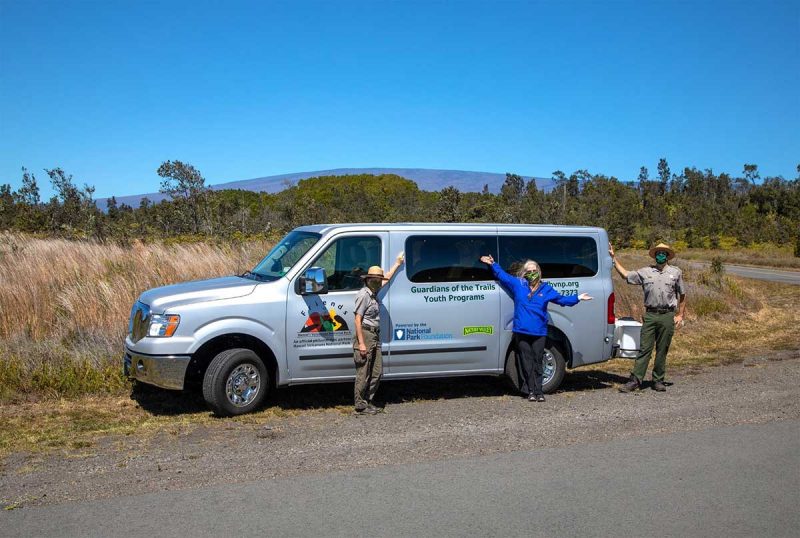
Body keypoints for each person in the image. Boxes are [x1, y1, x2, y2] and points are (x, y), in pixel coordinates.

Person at [480, 255, 593, 401]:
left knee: (538, 361)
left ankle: (539, 391)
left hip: (539, 332)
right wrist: (493, 264)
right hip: (521, 331)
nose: (532, 272)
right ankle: (531, 391)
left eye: (534, 270)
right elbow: (502, 276)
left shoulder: (546, 289)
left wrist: (578, 298)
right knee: (526, 362)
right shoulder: (518, 284)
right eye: (529, 270)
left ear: (539, 271)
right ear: (524, 272)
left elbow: (562, 300)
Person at [610, 242, 686, 392]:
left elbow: (682, 294)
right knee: (645, 349)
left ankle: (658, 381)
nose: (660, 255)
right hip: (650, 315)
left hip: (667, 316)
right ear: (655, 255)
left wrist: (680, 315)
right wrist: (613, 258)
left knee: (662, 349)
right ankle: (635, 381)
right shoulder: (645, 272)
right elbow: (626, 275)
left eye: (663, 253)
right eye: (658, 253)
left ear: (668, 256)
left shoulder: (676, 273)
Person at [353, 252, 404, 415]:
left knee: (376, 372)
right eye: (375, 279)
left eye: (379, 280)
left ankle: (368, 401)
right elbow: (357, 320)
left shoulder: (374, 291)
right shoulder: (364, 295)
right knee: (363, 373)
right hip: (366, 336)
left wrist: (397, 263)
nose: (378, 282)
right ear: (368, 279)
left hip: (374, 335)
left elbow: (387, 277)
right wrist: (361, 343)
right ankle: (360, 405)